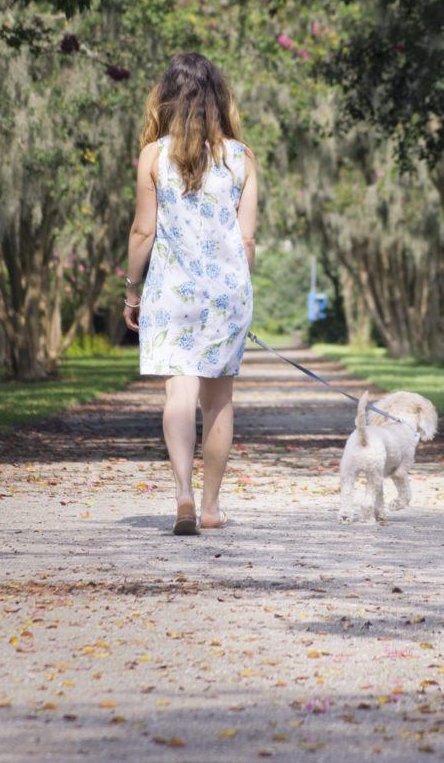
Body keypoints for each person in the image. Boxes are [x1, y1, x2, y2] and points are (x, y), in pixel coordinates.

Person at [123, 53, 258, 535]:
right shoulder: (242, 157)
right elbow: (246, 240)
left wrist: (131, 292)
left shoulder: (154, 157)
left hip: (171, 293)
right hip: (227, 294)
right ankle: (212, 506)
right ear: (218, 98)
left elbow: (143, 233)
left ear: (167, 98)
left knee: (178, 391)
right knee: (218, 401)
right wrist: (240, 294)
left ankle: (182, 495)